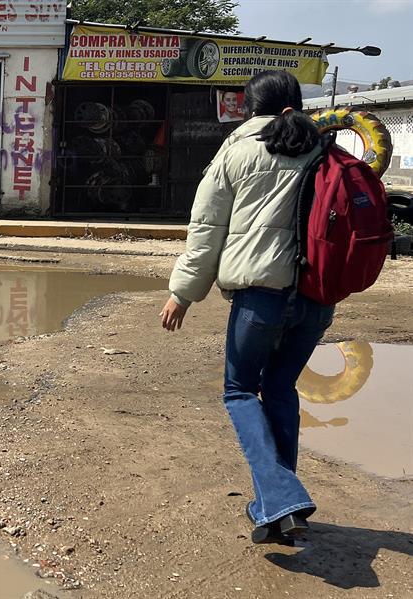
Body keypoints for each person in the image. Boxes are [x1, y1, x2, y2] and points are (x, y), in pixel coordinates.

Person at [159, 70, 330, 545]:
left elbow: (207, 230)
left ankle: (280, 497)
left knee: (239, 393)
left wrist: (183, 293)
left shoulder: (236, 151)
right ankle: (277, 511)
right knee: (278, 390)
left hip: (259, 297)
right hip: (316, 299)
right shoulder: (326, 151)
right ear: (294, 105)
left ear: (250, 109)